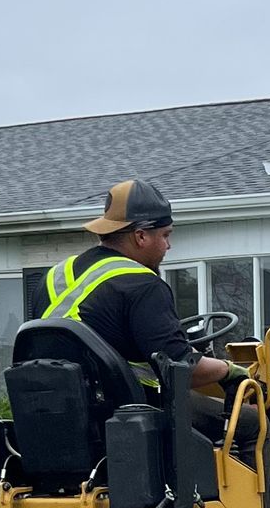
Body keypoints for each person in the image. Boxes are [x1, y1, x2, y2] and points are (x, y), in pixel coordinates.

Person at [41, 178, 237, 438]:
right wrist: (230, 370)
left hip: (55, 416)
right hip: (130, 414)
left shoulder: (53, 277)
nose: (169, 245)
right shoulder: (143, 284)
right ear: (141, 236)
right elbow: (181, 370)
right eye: (165, 235)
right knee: (250, 423)